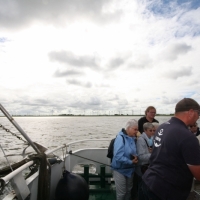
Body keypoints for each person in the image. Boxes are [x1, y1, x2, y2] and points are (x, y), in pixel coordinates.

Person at [140, 98, 200, 200]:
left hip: (147, 182)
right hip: (166, 192)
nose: (198, 117)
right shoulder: (188, 137)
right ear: (191, 112)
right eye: (198, 113)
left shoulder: (162, 127)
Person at [111, 119, 138, 200]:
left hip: (130, 170)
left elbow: (133, 151)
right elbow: (118, 156)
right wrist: (130, 161)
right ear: (128, 128)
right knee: (121, 193)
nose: (136, 131)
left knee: (129, 191)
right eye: (135, 129)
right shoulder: (120, 138)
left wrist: (135, 156)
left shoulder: (133, 138)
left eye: (137, 129)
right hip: (120, 170)